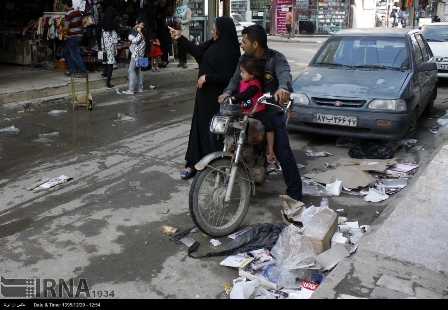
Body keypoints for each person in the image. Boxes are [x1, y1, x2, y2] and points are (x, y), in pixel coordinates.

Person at [218, 24, 303, 202]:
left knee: (283, 150)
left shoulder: (275, 58)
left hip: (270, 108)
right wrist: (227, 93)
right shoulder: (244, 59)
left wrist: (282, 88)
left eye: (244, 42)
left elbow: (284, 73)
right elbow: (235, 80)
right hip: (247, 108)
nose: (241, 45)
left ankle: (295, 193)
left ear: (255, 44)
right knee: (219, 130)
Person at [168, 16, 240, 180]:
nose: (212, 31)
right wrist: (180, 37)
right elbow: (197, 52)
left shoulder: (230, 50)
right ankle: (192, 163)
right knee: (198, 129)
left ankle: (215, 164)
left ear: (223, 30)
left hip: (217, 98)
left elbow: (230, 77)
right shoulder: (213, 43)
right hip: (203, 96)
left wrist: (208, 77)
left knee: (213, 132)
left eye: (215, 28)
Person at [229, 57, 277, 164]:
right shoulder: (242, 82)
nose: (240, 74)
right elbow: (238, 91)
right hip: (244, 111)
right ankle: (230, 145)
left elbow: (246, 94)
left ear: (252, 74)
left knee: (269, 126)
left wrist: (234, 98)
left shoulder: (255, 84)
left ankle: (270, 149)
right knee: (232, 124)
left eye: (243, 72)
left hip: (257, 111)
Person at [60, 0, 88, 78]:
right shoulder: (77, 11)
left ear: (66, 5)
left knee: (75, 54)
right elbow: (84, 20)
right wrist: (80, 27)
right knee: (67, 51)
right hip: (78, 35)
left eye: (63, 5)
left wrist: (59, 30)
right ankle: (72, 69)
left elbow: (66, 28)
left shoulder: (68, 14)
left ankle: (83, 71)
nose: (63, 7)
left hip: (74, 36)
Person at [122, 16, 147, 95]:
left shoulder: (140, 32)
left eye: (142, 25)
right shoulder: (144, 31)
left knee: (131, 70)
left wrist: (135, 33)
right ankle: (140, 88)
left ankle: (131, 89)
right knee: (138, 71)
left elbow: (134, 40)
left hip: (136, 54)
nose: (140, 26)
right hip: (140, 54)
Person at [96, 5, 118, 88]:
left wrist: (99, 46)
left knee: (107, 61)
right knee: (111, 64)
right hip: (110, 45)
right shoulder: (112, 24)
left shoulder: (101, 22)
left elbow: (98, 35)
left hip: (103, 45)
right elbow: (114, 36)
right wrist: (116, 48)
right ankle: (108, 82)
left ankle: (105, 73)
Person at [174, 0, 192, 68]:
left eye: (181, 0)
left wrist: (180, 21)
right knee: (179, 45)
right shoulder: (177, 9)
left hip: (184, 29)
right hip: (178, 29)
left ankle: (184, 61)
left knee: (184, 46)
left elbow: (188, 19)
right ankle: (180, 61)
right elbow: (175, 17)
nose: (180, 2)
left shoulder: (187, 9)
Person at [155, 0, 172, 68]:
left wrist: (160, 17)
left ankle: (165, 60)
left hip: (165, 31)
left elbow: (162, 18)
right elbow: (156, 17)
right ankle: (162, 60)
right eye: (160, 2)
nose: (161, 4)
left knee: (164, 45)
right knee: (160, 45)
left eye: (163, 3)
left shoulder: (166, 10)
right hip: (159, 30)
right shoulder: (158, 9)